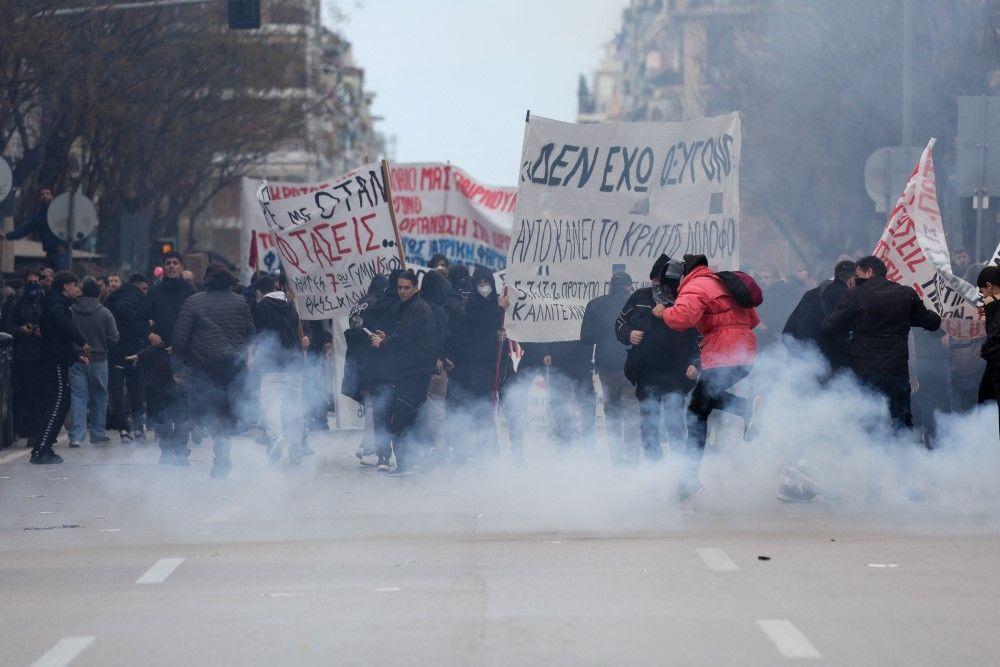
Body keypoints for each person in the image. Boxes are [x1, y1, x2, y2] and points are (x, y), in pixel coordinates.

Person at [656, 254, 763, 502]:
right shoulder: (721, 281)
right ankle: (746, 409)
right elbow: (753, 320)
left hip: (724, 355)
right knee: (703, 405)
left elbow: (682, 319)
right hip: (743, 354)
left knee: (696, 413)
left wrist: (664, 312)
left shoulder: (695, 286)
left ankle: (688, 481)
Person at [822, 255, 942, 437]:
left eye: (857, 274)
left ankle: (871, 460)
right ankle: (902, 459)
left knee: (867, 421)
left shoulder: (855, 294)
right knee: (900, 422)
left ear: (869, 271)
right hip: (896, 369)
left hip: (865, 369)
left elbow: (829, 326)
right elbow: (932, 322)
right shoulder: (905, 293)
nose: (855, 279)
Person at [172, 264, 253, 478]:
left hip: (202, 367)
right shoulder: (240, 301)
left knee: (208, 411)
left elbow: (180, 337)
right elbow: (251, 334)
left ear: (206, 279)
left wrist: (178, 366)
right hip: (232, 367)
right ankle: (222, 450)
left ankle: (221, 450)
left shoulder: (193, 302)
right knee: (225, 411)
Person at [616, 257, 700, 463]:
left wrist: (696, 364)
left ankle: (678, 469)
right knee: (649, 424)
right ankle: (655, 470)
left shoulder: (686, 301)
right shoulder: (639, 297)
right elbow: (619, 324)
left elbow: (701, 338)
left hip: (677, 375)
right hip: (647, 373)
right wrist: (629, 334)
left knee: (675, 424)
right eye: (656, 281)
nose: (659, 286)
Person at [370, 269, 436, 474]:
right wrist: (387, 336)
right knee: (411, 417)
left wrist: (382, 343)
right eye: (399, 287)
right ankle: (414, 459)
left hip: (413, 371)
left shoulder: (416, 308)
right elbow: (403, 335)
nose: (402, 291)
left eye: (407, 287)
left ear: (416, 287)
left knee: (401, 419)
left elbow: (403, 339)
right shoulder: (410, 307)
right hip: (412, 370)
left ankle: (407, 462)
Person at [30, 271, 88, 464]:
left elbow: (59, 338)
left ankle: (44, 447)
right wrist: (81, 341)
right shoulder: (56, 304)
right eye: (75, 285)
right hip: (53, 361)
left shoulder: (59, 304)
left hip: (58, 358)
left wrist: (76, 356)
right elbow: (63, 325)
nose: (77, 289)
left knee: (61, 403)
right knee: (57, 403)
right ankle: (40, 450)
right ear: (66, 287)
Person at [583, 271, 641, 463]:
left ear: (610, 286)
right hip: (631, 367)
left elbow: (586, 339)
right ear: (628, 286)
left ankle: (616, 460)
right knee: (632, 413)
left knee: (612, 412)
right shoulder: (637, 303)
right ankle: (632, 461)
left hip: (607, 368)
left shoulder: (595, 304)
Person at [145, 251, 196, 464]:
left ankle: (182, 451)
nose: (172, 267)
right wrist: (149, 335)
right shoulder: (154, 292)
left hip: (183, 359)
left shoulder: (191, 293)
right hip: (160, 358)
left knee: (182, 405)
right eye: (168, 263)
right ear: (164, 267)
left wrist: (183, 346)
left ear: (181, 266)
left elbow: (198, 324)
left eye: (175, 263)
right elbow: (139, 319)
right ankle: (166, 451)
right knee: (161, 404)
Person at [251, 274, 308, 464]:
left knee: (270, 406)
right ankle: (296, 449)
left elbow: (258, 337)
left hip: (272, 366)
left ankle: (276, 439)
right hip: (294, 365)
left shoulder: (260, 307)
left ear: (259, 292)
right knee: (294, 408)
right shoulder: (290, 306)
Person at [343, 274, 390, 464]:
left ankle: (366, 445)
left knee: (371, 405)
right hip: (369, 359)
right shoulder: (376, 304)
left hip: (355, 360)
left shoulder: (359, 304)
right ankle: (368, 449)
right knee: (374, 407)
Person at [68, 277, 119, 447]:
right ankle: (97, 434)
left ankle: (76, 435)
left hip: (77, 360)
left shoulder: (71, 311)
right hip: (99, 360)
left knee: (78, 397)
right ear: (97, 294)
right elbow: (114, 337)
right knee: (99, 397)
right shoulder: (105, 313)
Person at [782, 260, 856, 373]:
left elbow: (788, 331)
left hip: (803, 364)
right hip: (834, 366)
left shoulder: (810, 294)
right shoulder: (848, 298)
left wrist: (798, 356)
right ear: (852, 280)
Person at [2, 268, 46, 441]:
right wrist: (22, 330)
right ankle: (28, 432)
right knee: (26, 395)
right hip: (24, 356)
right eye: (31, 281)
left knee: (40, 396)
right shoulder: (18, 303)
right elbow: (8, 327)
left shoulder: (44, 301)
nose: (34, 285)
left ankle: (39, 432)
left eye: (37, 281)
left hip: (42, 354)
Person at [106, 273, 150, 441]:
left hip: (116, 352)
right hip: (134, 352)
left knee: (117, 392)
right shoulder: (138, 299)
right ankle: (138, 428)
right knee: (135, 391)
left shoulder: (111, 300)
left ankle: (123, 430)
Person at [417, 268, 453, 459]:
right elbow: (436, 338)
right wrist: (439, 356)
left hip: (419, 366)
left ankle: (426, 447)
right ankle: (438, 447)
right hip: (434, 368)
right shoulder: (437, 310)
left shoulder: (418, 306)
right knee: (437, 409)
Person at [2, 188, 70, 269]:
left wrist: (62, 244)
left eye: (47, 193)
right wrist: (7, 235)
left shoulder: (59, 210)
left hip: (61, 254)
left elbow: (68, 227)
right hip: (49, 253)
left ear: (51, 196)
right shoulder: (39, 216)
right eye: (42, 194)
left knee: (63, 277)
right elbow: (25, 229)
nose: (44, 196)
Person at [977, 266, 1000, 436]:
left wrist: (986, 351)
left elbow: (994, 340)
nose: (983, 295)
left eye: (982, 290)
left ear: (989, 286)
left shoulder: (994, 306)